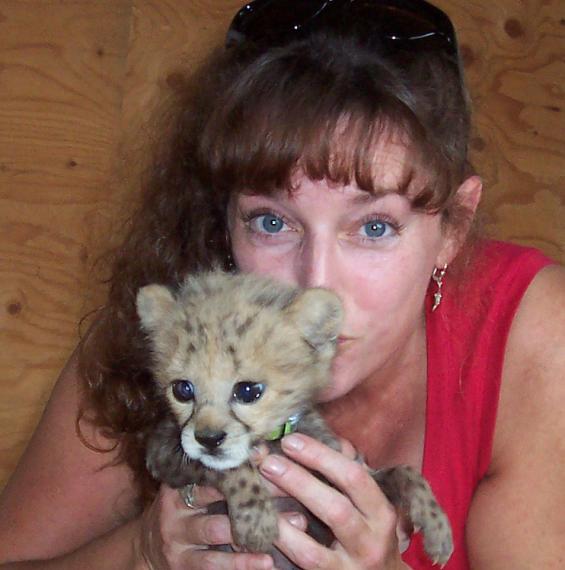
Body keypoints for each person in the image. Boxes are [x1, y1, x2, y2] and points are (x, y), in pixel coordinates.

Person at [0, 0, 563, 568]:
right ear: (222, 219)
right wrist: (142, 553)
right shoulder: (176, 333)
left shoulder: (536, 340)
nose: (316, 286)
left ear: (453, 229)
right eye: (271, 223)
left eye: (374, 227)